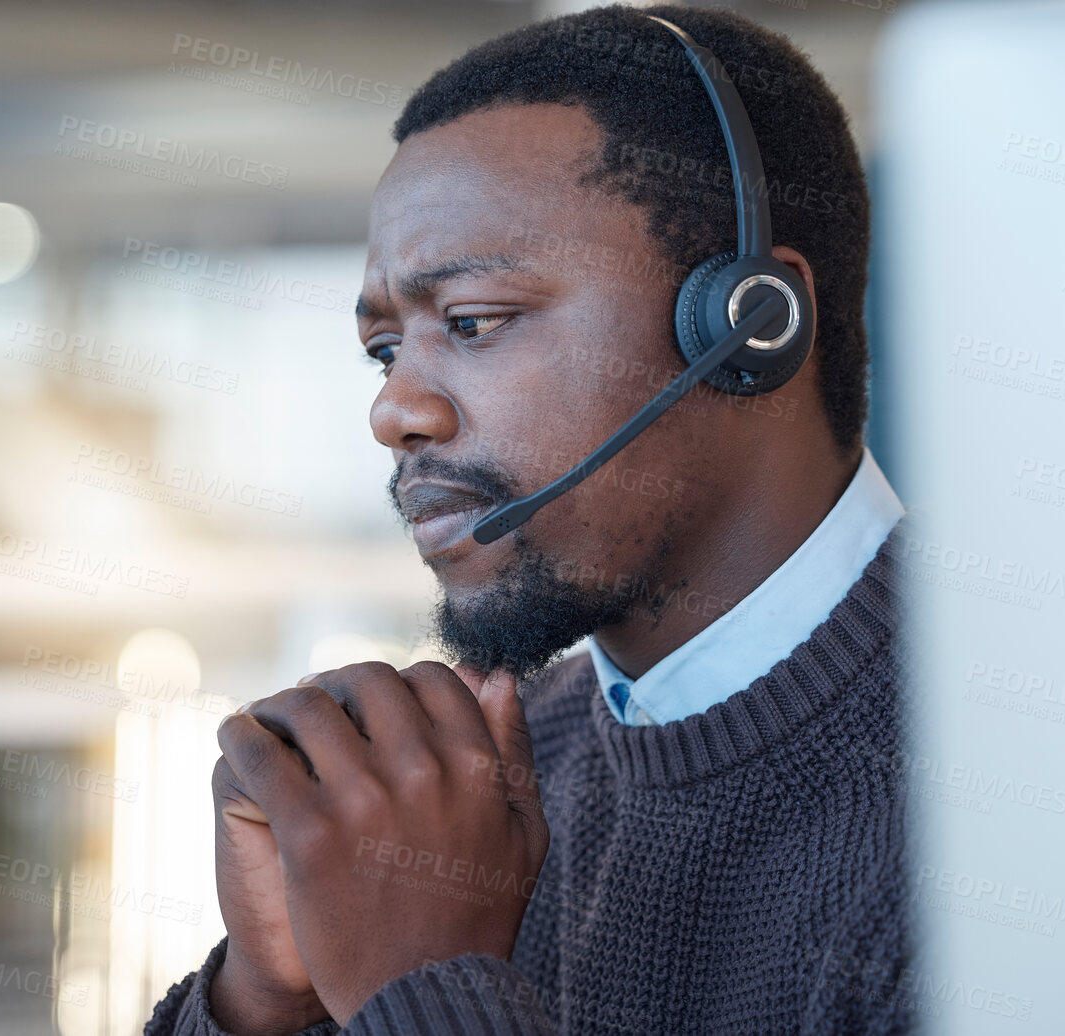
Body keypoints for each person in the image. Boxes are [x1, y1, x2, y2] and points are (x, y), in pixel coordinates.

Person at [144, 4, 912, 1033]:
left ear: (750, 324)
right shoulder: (481, 780)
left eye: (472, 322)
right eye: (386, 349)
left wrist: (425, 982)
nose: (394, 410)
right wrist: (265, 1000)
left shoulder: (1022, 793)